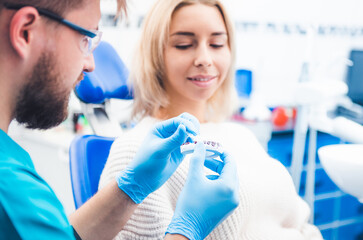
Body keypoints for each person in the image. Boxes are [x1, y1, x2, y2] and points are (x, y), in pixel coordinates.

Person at [0, 0, 240, 239]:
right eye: (86, 39)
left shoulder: (13, 162)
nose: (91, 64)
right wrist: (188, 230)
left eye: (217, 43)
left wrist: (130, 188)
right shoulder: (10, 187)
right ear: (25, 32)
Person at [99, 0, 324, 239]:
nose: (205, 59)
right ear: (156, 55)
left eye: (217, 43)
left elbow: (298, 220)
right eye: (184, 45)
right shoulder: (137, 151)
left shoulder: (239, 135)